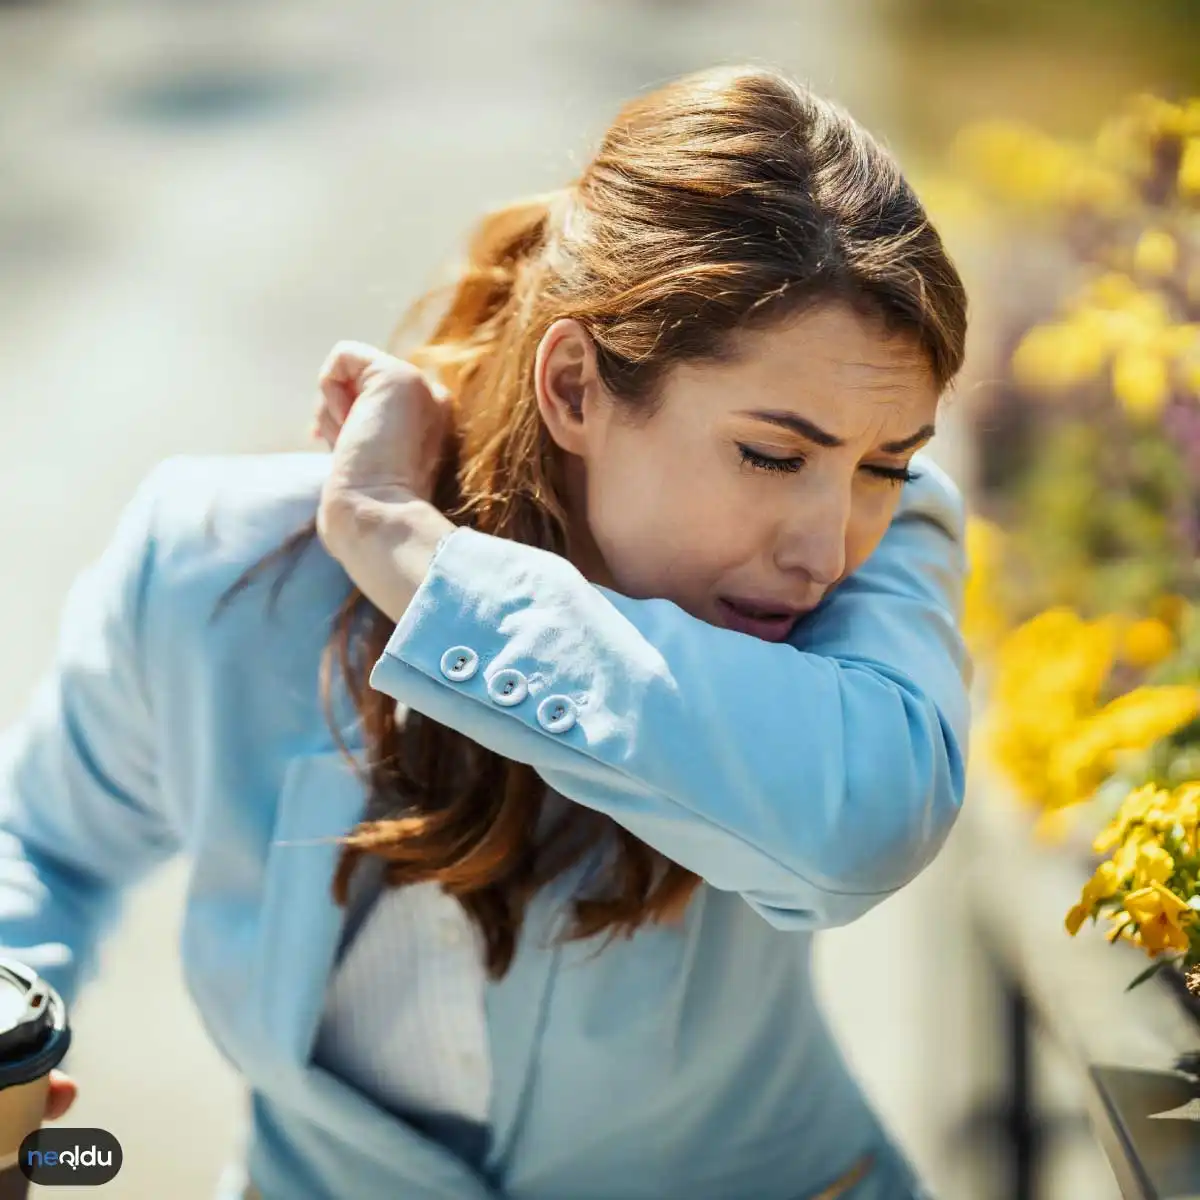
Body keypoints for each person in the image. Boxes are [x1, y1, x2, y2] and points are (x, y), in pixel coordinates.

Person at [0, 65, 970, 1199]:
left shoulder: (888, 543)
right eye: (771, 454)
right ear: (574, 386)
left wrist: (410, 554)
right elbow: (43, 846)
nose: (825, 545)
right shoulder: (220, 561)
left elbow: (859, 827)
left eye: (886, 464)